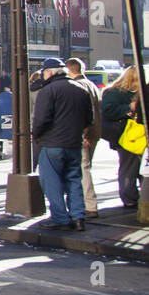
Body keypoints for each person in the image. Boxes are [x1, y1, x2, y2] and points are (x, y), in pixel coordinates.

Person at [32, 58, 94, 232]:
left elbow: (41, 120)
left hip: (52, 143)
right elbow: (90, 119)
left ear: (49, 73)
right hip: (74, 143)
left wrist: (36, 135)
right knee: (74, 180)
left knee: (51, 182)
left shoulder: (48, 91)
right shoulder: (81, 89)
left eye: (44, 72)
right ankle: (78, 217)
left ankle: (60, 217)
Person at [101, 66, 142, 208]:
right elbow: (107, 112)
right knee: (129, 167)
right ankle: (130, 197)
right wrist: (129, 108)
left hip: (134, 135)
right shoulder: (115, 93)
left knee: (134, 167)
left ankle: (134, 197)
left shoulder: (115, 92)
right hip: (127, 136)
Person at [66, 58, 102, 219]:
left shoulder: (78, 86)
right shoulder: (92, 85)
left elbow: (82, 113)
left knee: (82, 170)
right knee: (83, 169)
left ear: (69, 71)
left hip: (84, 134)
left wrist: (83, 134)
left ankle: (89, 205)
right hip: (94, 133)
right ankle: (84, 204)